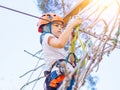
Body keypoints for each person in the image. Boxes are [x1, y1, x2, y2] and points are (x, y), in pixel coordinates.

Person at [38, 13, 81, 90]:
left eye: (61, 26)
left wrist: (72, 42)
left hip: (66, 77)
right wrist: (71, 25)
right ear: (47, 27)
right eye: (56, 25)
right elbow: (60, 43)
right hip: (56, 79)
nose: (60, 28)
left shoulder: (60, 51)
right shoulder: (46, 36)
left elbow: (72, 60)